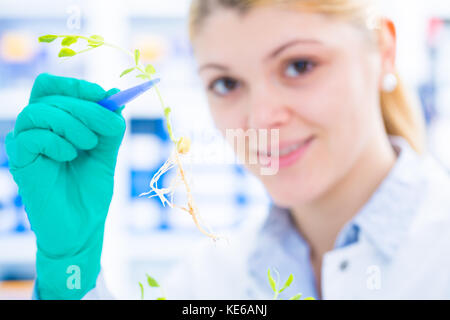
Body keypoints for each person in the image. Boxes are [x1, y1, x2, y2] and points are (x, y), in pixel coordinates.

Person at [5, 0, 450, 300]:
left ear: (385, 52)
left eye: (299, 66)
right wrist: (70, 270)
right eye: (226, 83)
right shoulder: (209, 283)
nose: (260, 120)